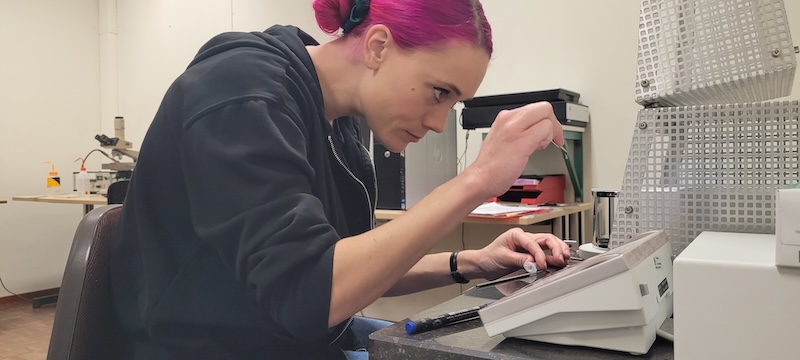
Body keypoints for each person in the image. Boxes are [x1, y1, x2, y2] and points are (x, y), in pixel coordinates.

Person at [108, 0, 571, 359]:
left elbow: (353, 270)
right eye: (439, 91)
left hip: (298, 341)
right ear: (378, 47)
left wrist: (470, 261)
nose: (437, 122)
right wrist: (476, 179)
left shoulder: (341, 129)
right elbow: (312, 293)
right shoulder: (242, 93)